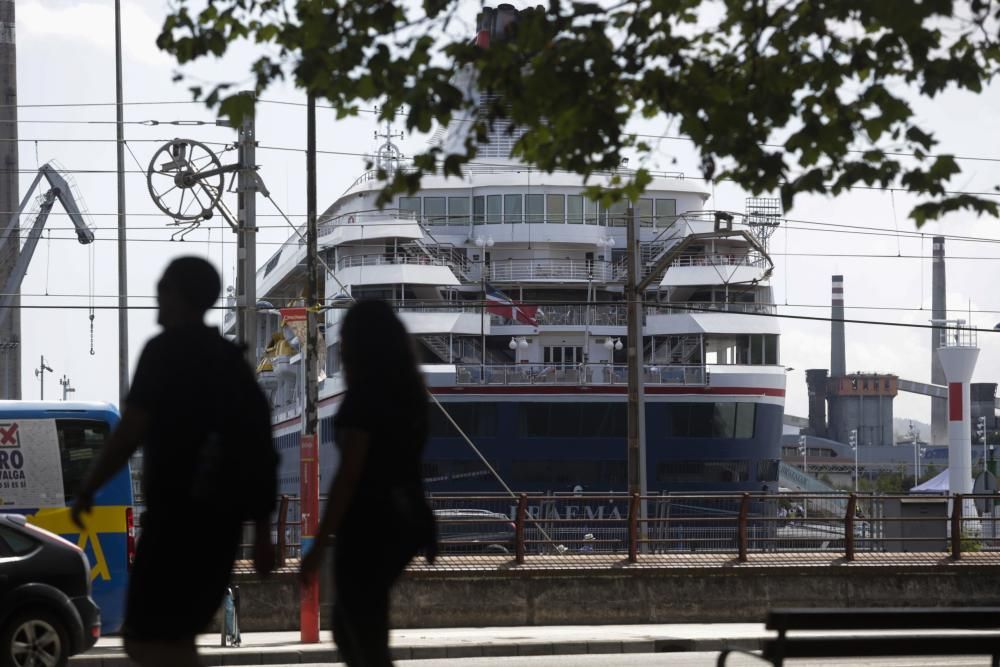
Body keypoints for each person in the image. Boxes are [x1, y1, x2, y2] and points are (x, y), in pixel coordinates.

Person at [71, 257, 276, 667]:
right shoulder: (230, 361)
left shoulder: (163, 354)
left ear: (179, 295)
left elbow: (130, 431)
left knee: (150, 639)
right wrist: (263, 534)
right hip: (219, 527)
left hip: (176, 522)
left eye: (163, 288)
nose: (156, 296)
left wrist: (90, 486)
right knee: (171, 639)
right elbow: (258, 447)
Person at [300, 299, 436, 667]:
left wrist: (317, 543)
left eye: (345, 337)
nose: (341, 346)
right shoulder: (410, 392)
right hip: (404, 521)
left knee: (358, 631)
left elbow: (349, 475)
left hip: (369, 524)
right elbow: (410, 466)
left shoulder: (366, 397)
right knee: (362, 628)